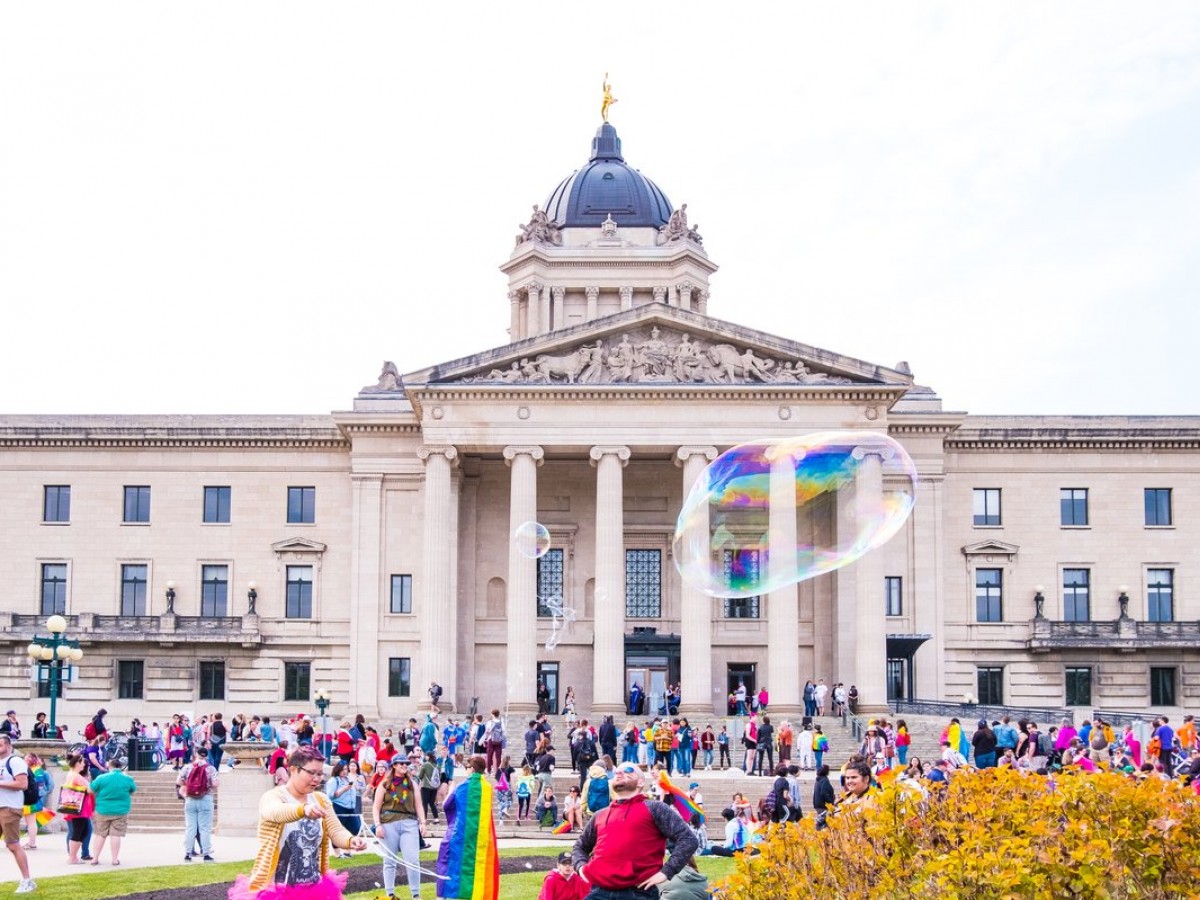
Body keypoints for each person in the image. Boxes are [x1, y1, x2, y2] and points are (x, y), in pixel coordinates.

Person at [229, 745, 366, 899]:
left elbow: (335, 831)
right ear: (293, 770)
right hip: (277, 890)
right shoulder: (273, 797)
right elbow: (276, 812)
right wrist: (303, 810)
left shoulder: (321, 799)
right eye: (311, 772)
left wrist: (351, 840)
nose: (316, 778)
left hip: (315, 888)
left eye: (320, 773)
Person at [569, 761, 698, 896]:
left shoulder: (655, 808)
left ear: (641, 782)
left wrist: (667, 872)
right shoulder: (600, 814)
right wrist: (581, 867)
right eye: (616, 771)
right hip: (599, 891)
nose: (619, 773)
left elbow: (688, 839)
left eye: (628, 770)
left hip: (637, 892)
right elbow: (580, 846)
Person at [371, 756, 426, 900]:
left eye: (406, 763)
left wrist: (423, 823)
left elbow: (419, 805)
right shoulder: (385, 784)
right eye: (401, 763)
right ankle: (390, 894)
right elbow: (376, 807)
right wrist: (377, 825)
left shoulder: (412, 784)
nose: (405, 765)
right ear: (394, 765)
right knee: (389, 860)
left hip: (409, 822)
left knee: (413, 860)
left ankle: (416, 895)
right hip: (388, 823)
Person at [0, 734, 35, 893]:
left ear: (7, 745)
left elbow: (22, 784)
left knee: (13, 844)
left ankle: (27, 881)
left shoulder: (14, 761)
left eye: (0, 745)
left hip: (10, 807)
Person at [89, 758, 137, 866]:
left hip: (103, 809)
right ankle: (115, 859)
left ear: (109, 766)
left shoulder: (101, 778)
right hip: (120, 810)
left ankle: (95, 858)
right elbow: (132, 790)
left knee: (100, 834)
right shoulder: (128, 778)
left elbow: (90, 790)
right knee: (116, 835)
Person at [177, 746, 218, 861]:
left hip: (190, 799)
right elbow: (215, 783)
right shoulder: (210, 768)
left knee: (190, 827)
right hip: (205, 798)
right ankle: (206, 853)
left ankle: (188, 853)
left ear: (196, 754)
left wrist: (187, 785)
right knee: (204, 828)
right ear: (206, 756)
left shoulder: (188, 767)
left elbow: (179, 781)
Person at [60, 751, 93, 866]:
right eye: (82, 763)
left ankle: (73, 856)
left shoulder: (70, 774)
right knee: (79, 832)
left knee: (80, 831)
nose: (84, 765)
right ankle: (73, 857)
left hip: (75, 807)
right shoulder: (77, 776)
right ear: (78, 763)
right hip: (80, 808)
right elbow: (90, 790)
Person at [325, 762, 361, 856]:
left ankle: (348, 851)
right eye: (342, 769)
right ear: (338, 769)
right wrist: (344, 789)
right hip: (338, 807)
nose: (344, 771)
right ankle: (338, 854)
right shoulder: (334, 780)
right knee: (337, 831)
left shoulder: (348, 779)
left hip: (351, 808)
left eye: (346, 769)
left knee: (356, 829)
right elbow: (330, 795)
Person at [19, 752, 53, 850]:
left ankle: (32, 843)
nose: (25, 760)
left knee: (31, 821)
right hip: (33, 797)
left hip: (31, 797)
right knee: (30, 821)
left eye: (26, 758)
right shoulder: (35, 769)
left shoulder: (37, 770)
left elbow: (39, 785)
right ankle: (31, 842)